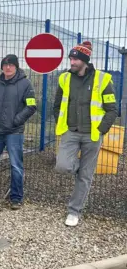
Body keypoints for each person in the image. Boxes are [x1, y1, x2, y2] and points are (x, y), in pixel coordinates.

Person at [53, 41, 118, 227]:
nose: (71, 61)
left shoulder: (103, 80)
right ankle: (81, 170)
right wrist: (61, 122)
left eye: (75, 58)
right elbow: (57, 105)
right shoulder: (65, 78)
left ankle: (74, 211)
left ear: (84, 60)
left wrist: (101, 129)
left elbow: (112, 109)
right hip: (70, 132)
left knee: (85, 176)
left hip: (93, 135)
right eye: (71, 58)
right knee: (63, 166)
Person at [0, 54, 37, 210]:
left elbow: (31, 106)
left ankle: (16, 197)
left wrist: (16, 121)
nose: (8, 67)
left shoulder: (25, 84)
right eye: (5, 64)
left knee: (16, 165)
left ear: (16, 66)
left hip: (14, 132)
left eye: (11, 64)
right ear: (1, 66)